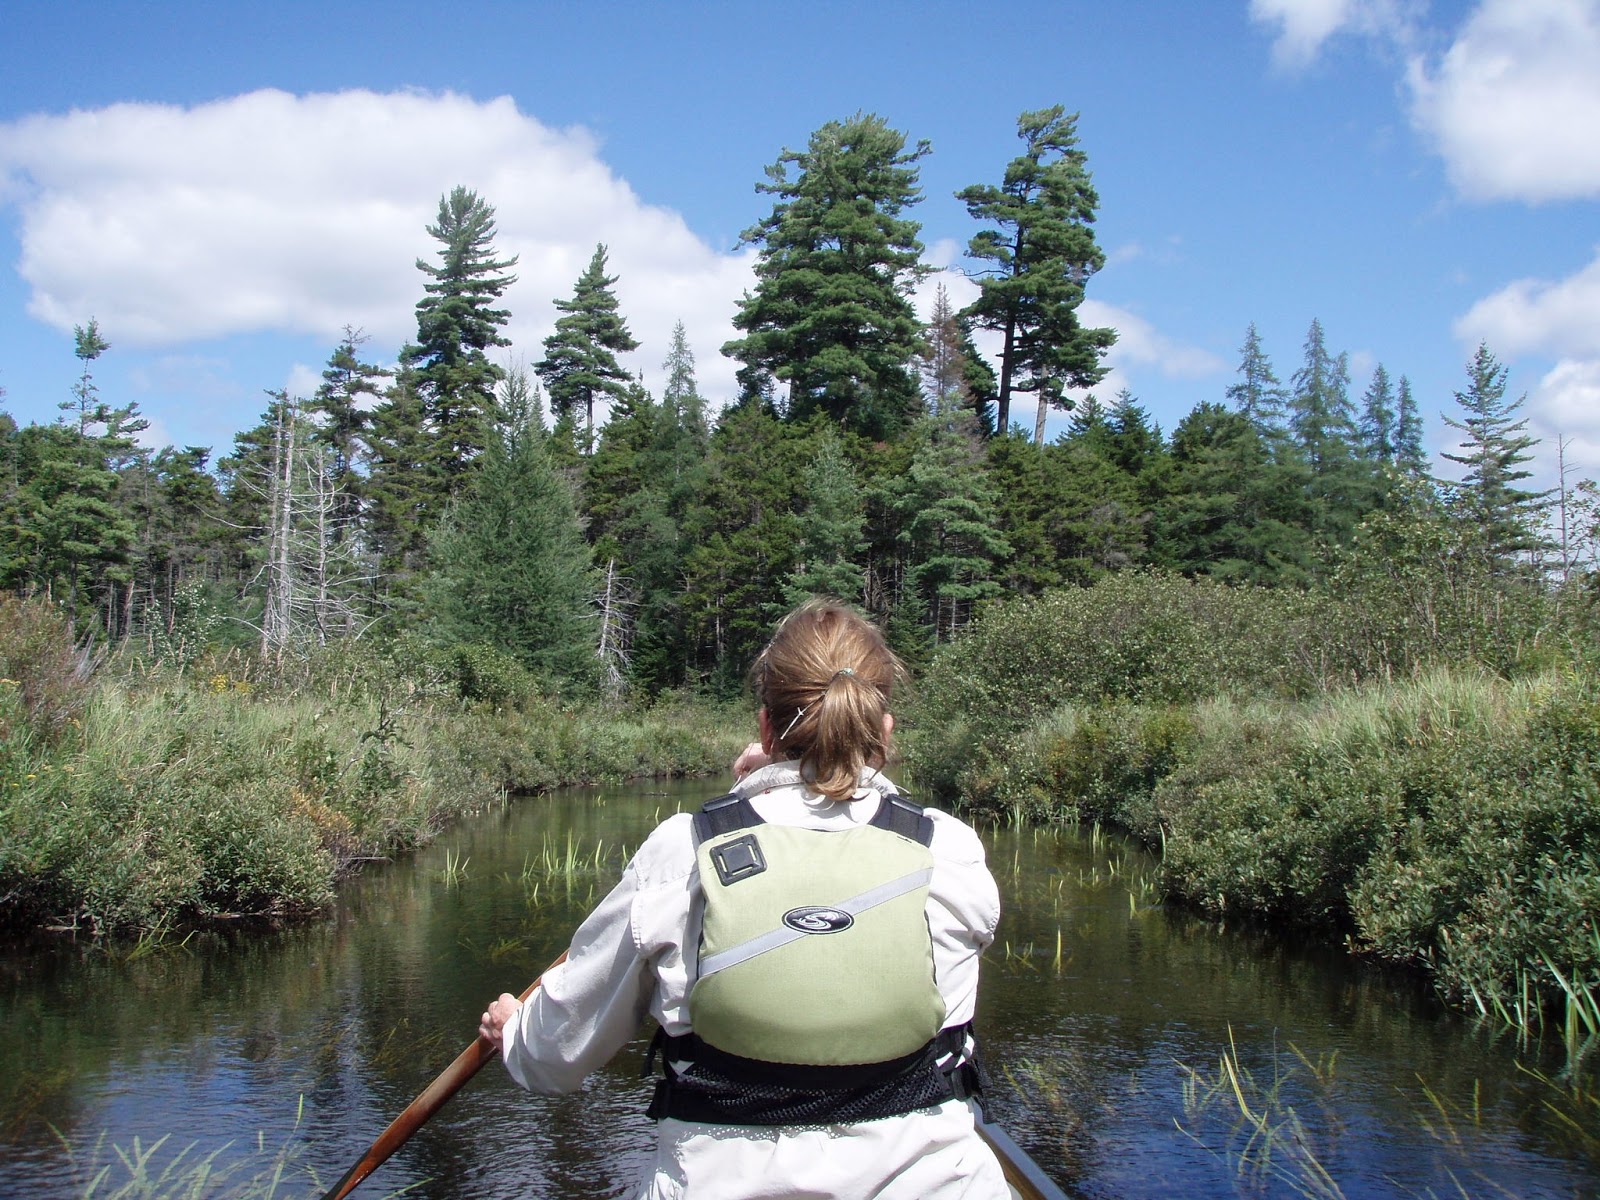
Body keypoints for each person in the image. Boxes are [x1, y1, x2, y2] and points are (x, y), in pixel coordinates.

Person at [479, 601, 1007, 1199]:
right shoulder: (949, 850)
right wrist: (794, 776)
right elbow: (856, 813)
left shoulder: (683, 852)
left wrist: (517, 1033)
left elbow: (556, 1059)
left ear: (764, 727)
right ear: (883, 731)